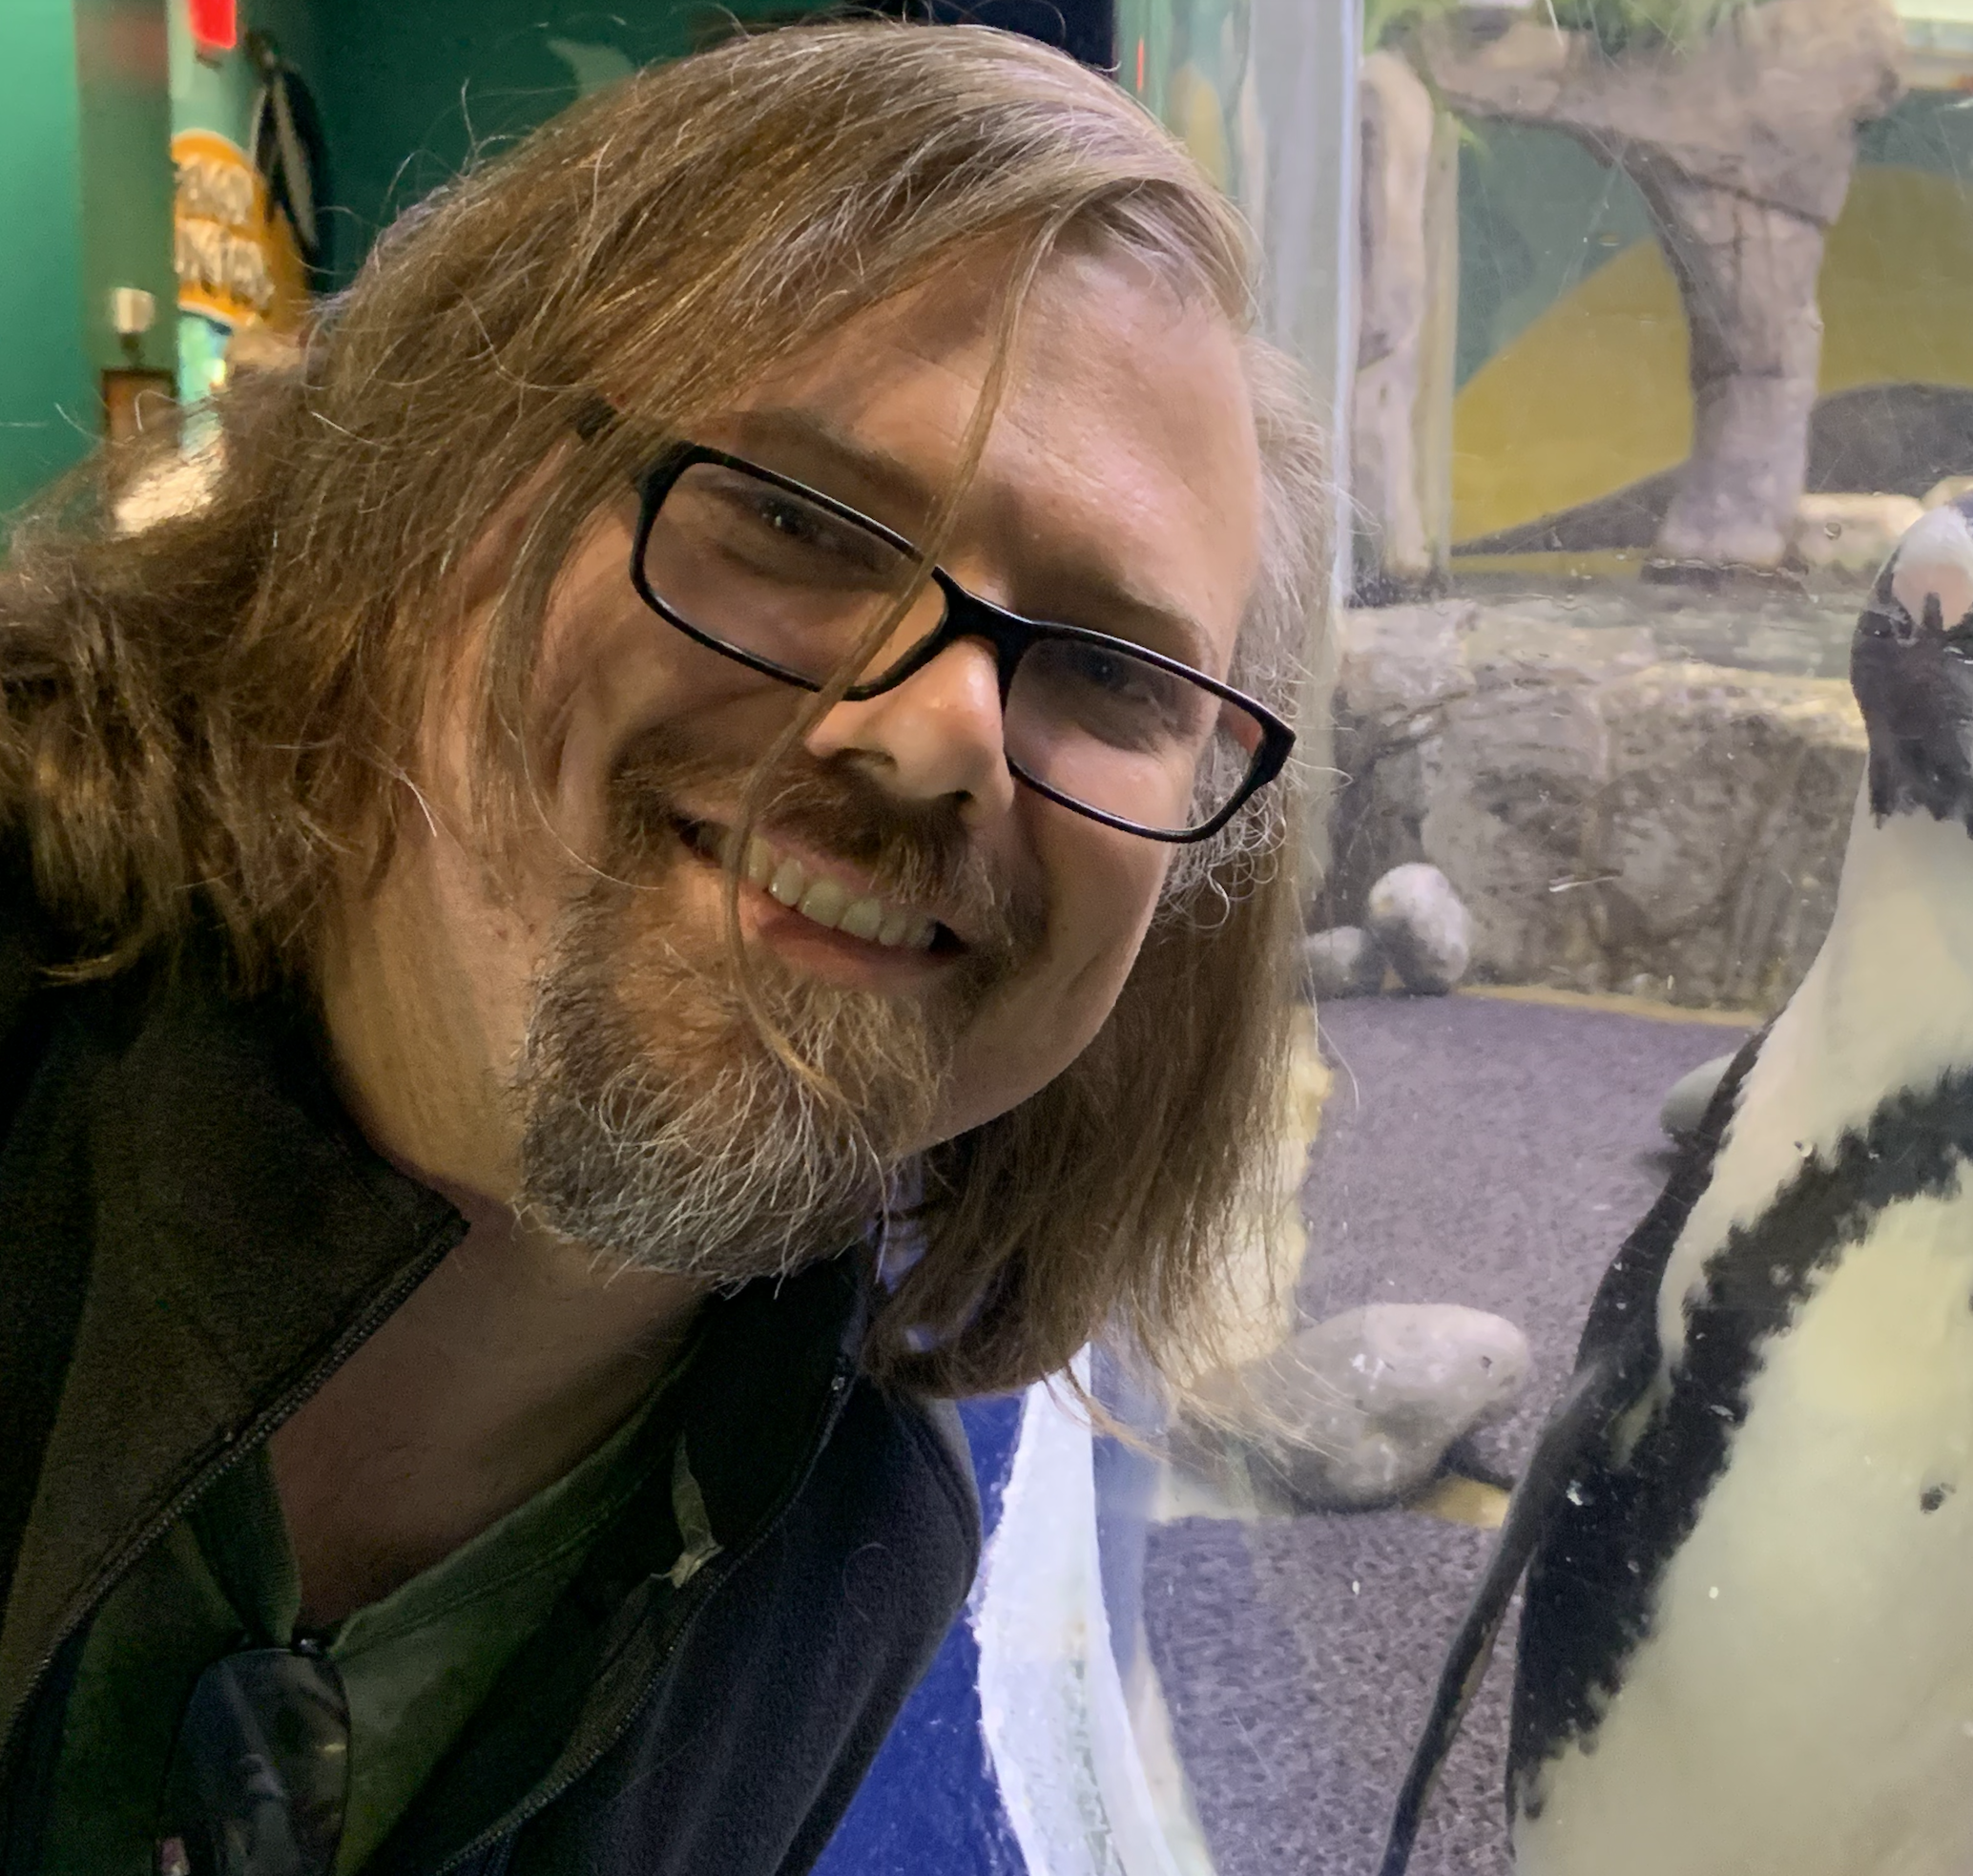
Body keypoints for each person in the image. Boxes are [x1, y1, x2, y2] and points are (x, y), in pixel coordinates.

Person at [0, 21, 1328, 1873]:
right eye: (790, 518)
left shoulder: (842, 1541)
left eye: (1113, 673)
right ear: (434, 483)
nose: (937, 732)